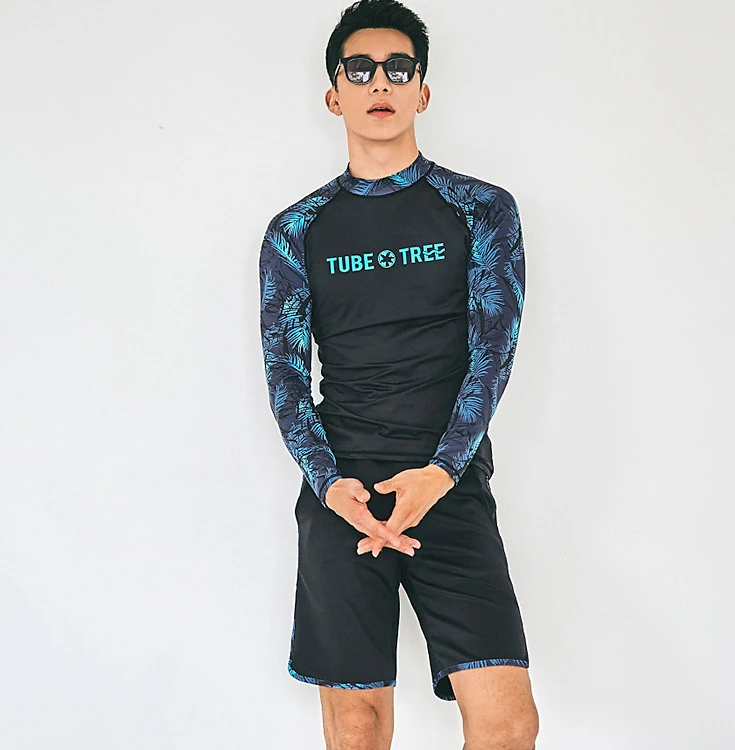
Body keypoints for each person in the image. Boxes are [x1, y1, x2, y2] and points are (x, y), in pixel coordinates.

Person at [258, 0, 539, 747]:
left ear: (422, 91)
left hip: (448, 483)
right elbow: (285, 373)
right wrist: (330, 484)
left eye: (398, 67)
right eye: (359, 69)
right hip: (342, 492)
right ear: (334, 95)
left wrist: (441, 473)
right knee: (357, 726)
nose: (379, 81)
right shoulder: (296, 230)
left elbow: (493, 353)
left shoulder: (482, 210)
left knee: (507, 724)